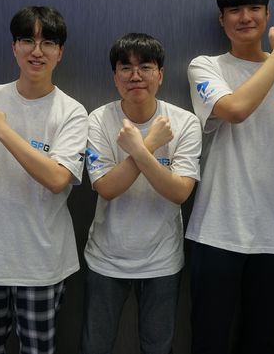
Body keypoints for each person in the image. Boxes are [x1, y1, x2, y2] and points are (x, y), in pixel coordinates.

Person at [186, 0, 274, 354]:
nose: (245, 17)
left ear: (267, 14)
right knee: (208, 338)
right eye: (234, 10)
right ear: (221, 19)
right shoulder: (205, 66)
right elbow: (235, 110)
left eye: (254, 8)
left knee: (261, 340)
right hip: (216, 229)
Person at [0, 6, 88, 354]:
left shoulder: (72, 111)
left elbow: (57, 178)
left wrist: (3, 131)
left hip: (42, 261)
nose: (37, 51)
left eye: (48, 42)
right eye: (27, 41)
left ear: (60, 52)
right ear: (13, 47)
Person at [80, 33, 201, 354]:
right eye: (126, 68)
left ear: (160, 74)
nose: (135, 76)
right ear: (114, 77)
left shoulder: (184, 123)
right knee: (94, 346)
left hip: (162, 260)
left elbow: (180, 192)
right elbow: (106, 188)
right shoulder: (98, 119)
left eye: (145, 67)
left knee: (157, 347)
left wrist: (137, 149)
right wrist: (148, 145)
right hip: (105, 258)